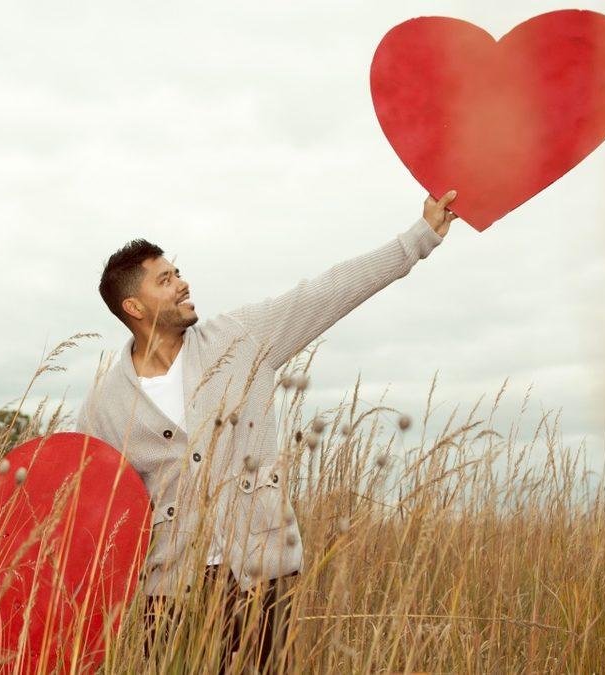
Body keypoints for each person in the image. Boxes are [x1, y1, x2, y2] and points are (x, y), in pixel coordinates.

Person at [76, 192, 457, 671]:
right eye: (165, 279)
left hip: (261, 574)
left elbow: (325, 292)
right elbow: (90, 510)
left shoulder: (240, 338)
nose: (182, 283)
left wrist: (417, 239)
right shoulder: (103, 405)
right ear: (133, 305)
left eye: (177, 272)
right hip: (170, 593)